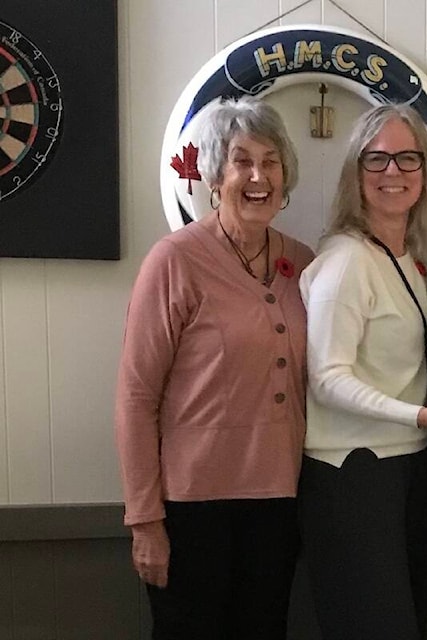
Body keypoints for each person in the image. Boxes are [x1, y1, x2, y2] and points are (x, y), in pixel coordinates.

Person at [114, 95, 314, 639]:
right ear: (213, 175)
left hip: (277, 502)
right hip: (190, 508)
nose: (258, 175)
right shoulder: (174, 260)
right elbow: (136, 398)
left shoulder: (303, 262)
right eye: (241, 160)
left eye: (270, 161)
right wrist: (145, 521)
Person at [297, 103, 427, 640]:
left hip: (400, 469)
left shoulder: (405, 257)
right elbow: (327, 378)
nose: (393, 173)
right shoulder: (348, 260)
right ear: (355, 173)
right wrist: (424, 415)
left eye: (407, 159)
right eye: (376, 160)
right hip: (352, 475)